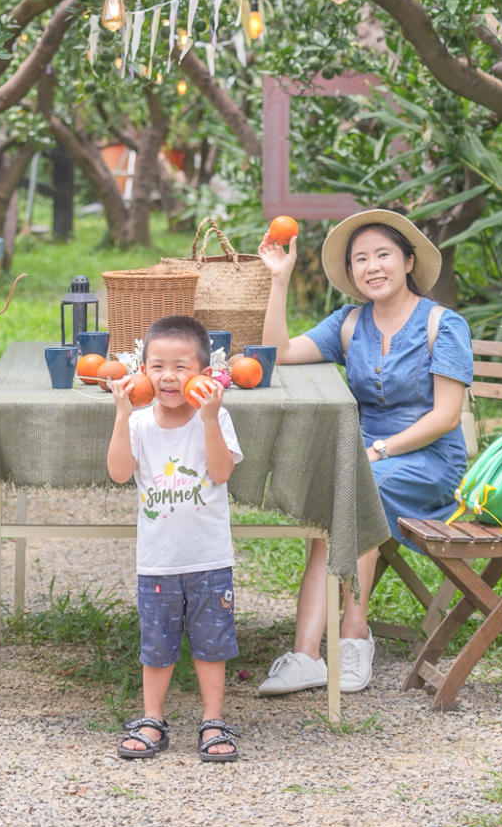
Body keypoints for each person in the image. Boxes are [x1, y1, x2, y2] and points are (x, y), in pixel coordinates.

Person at [256, 208, 473, 696]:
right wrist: (279, 281)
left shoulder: (444, 324)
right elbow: (279, 353)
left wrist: (379, 450)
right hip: (368, 461)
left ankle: (353, 637)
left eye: (383, 255)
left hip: (430, 463)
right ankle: (306, 655)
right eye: (360, 259)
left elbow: (446, 417)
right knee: (346, 495)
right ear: (352, 272)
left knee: (357, 488)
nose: (372, 266)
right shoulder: (351, 322)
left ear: (409, 261)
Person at [107, 315, 244, 762]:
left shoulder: (216, 416)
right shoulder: (140, 423)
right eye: (157, 366)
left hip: (208, 558)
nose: (168, 377)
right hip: (159, 561)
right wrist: (122, 414)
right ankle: (152, 718)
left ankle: (213, 720)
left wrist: (207, 419)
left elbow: (222, 472)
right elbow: (119, 472)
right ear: (141, 371)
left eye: (181, 366)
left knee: (213, 644)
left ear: (205, 374)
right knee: (157, 646)